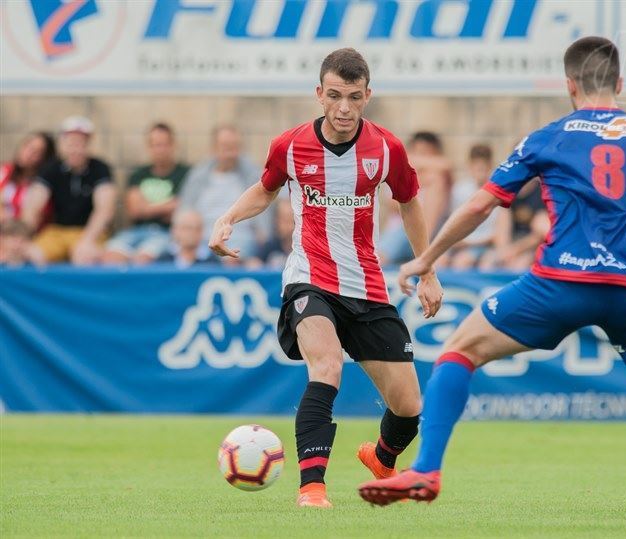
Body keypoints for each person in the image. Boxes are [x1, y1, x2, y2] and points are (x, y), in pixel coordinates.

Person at [358, 36, 626, 533]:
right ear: (619, 84)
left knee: (458, 351)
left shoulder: (549, 137)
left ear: (570, 85)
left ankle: (427, 469)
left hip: (559, 282)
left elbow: (481, 205)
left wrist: (425, 258)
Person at [209, 48, 443, 509]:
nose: (343, 108)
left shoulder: (387, 149)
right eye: (334, 95)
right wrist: (228, 218)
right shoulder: (290, 145)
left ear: (367, 96)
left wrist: (427, 268)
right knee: (327, 365)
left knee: (410, 407)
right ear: (319, 93)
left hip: (368, 285)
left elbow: (411, 201)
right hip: (309, 278)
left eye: (353, 97)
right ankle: (312, 488)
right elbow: (266, 188)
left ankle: (381, 457)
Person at [23, 117, 116, 265]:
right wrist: (23, 238)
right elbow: (32, 206)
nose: (76, 149)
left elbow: (105, 210)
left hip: (89, 232)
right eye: (71, 143)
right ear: (63, 144)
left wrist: (87, 241)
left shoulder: (100, 169)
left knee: (85, 257)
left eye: (81, 144)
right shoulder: (51, 168)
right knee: (32, 254)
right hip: (57, 232)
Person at [103, 123, 189, 265]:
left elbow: (181, 209)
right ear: (149, 147)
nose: (160, 150)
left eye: (164, 144)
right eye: (155, 145)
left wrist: (147, 207)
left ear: (173, 145)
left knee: (143, 259)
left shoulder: (184, 174)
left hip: (167, 234)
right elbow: (135, 211)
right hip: (136, 231)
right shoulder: (138, 174)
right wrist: (167, 206)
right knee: (110, 257)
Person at [178, 126, 263, 263]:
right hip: (203, 241)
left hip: (242, 241)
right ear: (214, 149)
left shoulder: (252, 177)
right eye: (225, 147)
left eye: (234, 147)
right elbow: (184, 210)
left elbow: (263, 216)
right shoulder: (198, 177)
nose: (230, 153)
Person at [379, 132, 452, 264]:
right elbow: (394, 204)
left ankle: (424, 249)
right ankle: (424, 250)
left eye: (426, 153)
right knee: (381, 255)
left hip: (431, 233)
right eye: (418, 153)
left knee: (437, 181)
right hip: (402, 231)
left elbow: (446, 165)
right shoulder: (397, 173)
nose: (421, 158)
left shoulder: (439, 179)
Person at [445, 144, 499, 269]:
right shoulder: (459, 190)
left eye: (483, 168)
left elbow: (497, 234)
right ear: (470, 167)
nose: (480, 173)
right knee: (439, 262)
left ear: (490, 166)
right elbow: (454, 221)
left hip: (484, 246)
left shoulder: (497, 192)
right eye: (477, 168)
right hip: (461, 244)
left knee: (462, 262)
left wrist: (468, 243)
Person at [0, 132, 56, 225]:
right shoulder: (5, 171)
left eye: (36, 152)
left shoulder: (43, 185)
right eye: (27, 146)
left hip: (26, 233)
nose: (28, 153)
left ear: (44, 158)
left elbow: (36, 218)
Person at [244, 197, 294, 269]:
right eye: (281, 219)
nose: (288, 226)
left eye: (290, 220)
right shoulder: (271, 246)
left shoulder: (307, 249)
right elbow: (253, 263)